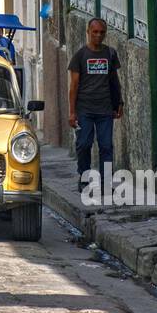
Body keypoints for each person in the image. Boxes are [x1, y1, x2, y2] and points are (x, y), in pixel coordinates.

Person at [67, 18, 122, 189]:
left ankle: (106, 182)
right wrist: (72, 112)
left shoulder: (110, 54)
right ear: (88, 32)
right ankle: (84, 177)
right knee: (84, 144)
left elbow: (114, 81)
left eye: (101, 32)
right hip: (84, 110)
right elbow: (73, 86)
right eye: (95, 32)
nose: (98, 35)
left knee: (106, 146)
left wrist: (119, 103)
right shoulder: (80, 56)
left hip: (105, 110)